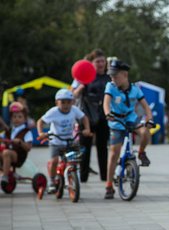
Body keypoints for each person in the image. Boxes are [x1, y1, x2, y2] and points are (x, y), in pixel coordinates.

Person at [103, 59, 153, 199]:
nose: (112, 78)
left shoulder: (135, 89)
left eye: (115, 76)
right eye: (111, 76)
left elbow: (146, 107)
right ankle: (108, 185)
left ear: (125, 75)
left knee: (145, 132)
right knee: (114, 153)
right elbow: (106, 103)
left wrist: (149, 118)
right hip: (116, 121)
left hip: (131, 118)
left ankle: (141, 153)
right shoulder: (110, 87)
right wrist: (108, 113)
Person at [37, 89, 92, 193]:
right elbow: (40, 121)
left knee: (74, 160)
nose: (66, 105)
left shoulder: (74, 110)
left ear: (72, 102)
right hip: (56, 141)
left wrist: (87, 129)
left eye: (68, 102)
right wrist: (41, 133)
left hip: (70, 140)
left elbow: (84, 118)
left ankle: (73, 177)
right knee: (54, 161)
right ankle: (52, 181)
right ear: (56, 102)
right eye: (62, 102)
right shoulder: (53, 112)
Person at [71, 49, 111, 182]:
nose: (100, 64)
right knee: (84, 148)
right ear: (91, 63)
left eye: (102, 61)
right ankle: (83, 177)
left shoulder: (109, 77)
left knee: (102, 148)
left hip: (103, 117)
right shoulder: (84, 76)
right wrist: (81, 86)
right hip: (86, 117)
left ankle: (105, 177)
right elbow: (72, 96)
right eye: (97, 61)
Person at [0, 102, 33, 188]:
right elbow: (2, 137)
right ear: (11, 118)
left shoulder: (26, 132)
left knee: (6, 152)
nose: (16, 119)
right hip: (7, 155)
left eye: (19, 117)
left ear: (25, 119)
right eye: (14, 117)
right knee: (4, 152)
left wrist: (20, 142)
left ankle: (5, 176)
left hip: (19, 156)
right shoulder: (9, 130)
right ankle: (7, 172)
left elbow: (28, 148)